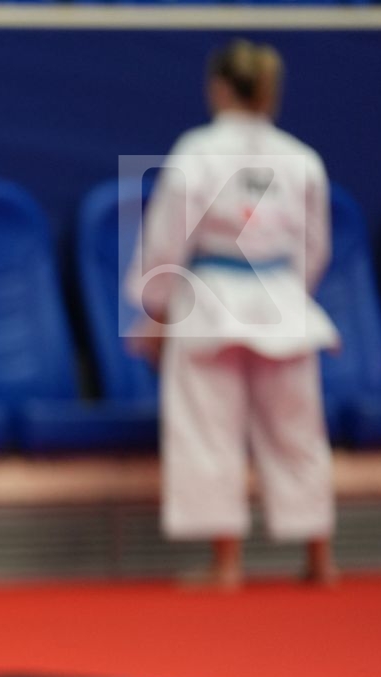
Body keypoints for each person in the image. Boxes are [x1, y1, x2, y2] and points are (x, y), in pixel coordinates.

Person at [129, 40, 338, 589]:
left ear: (218, 88)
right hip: (282, 301)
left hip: (210, 301)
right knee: (298, 432)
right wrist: (290, 295)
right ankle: (320, 558)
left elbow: (167, 237)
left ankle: (228, 564)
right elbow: (315, 248)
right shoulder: (301, 157)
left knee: (207, 430)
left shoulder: (198, 151)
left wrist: (155, 308)